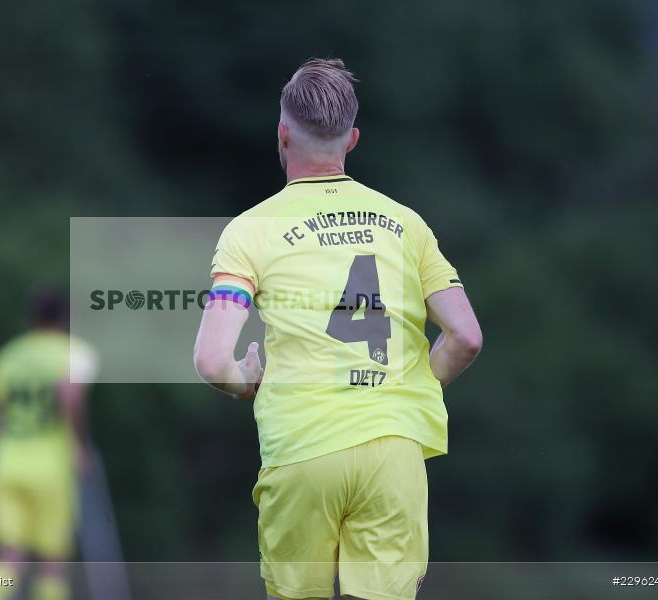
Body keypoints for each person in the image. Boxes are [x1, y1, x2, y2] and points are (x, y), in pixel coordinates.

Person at [194, 58, 482, 600]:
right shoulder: (406, 223)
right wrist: (415, 384)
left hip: (302, 449)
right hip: (391, 449)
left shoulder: (248, 231)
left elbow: (211, 360)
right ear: (351, 139)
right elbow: (466, 336)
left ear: (282, 133)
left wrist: (245, 381)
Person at [0, 286, 99, 600]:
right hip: (50, 466)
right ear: (64, 318)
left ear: (31, 317)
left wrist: (13, 429)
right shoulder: (74, 352)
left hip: (5, 464)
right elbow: (70, 397)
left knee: (8, 557)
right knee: (52, 563)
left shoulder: (9, 355)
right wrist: (79, 446)